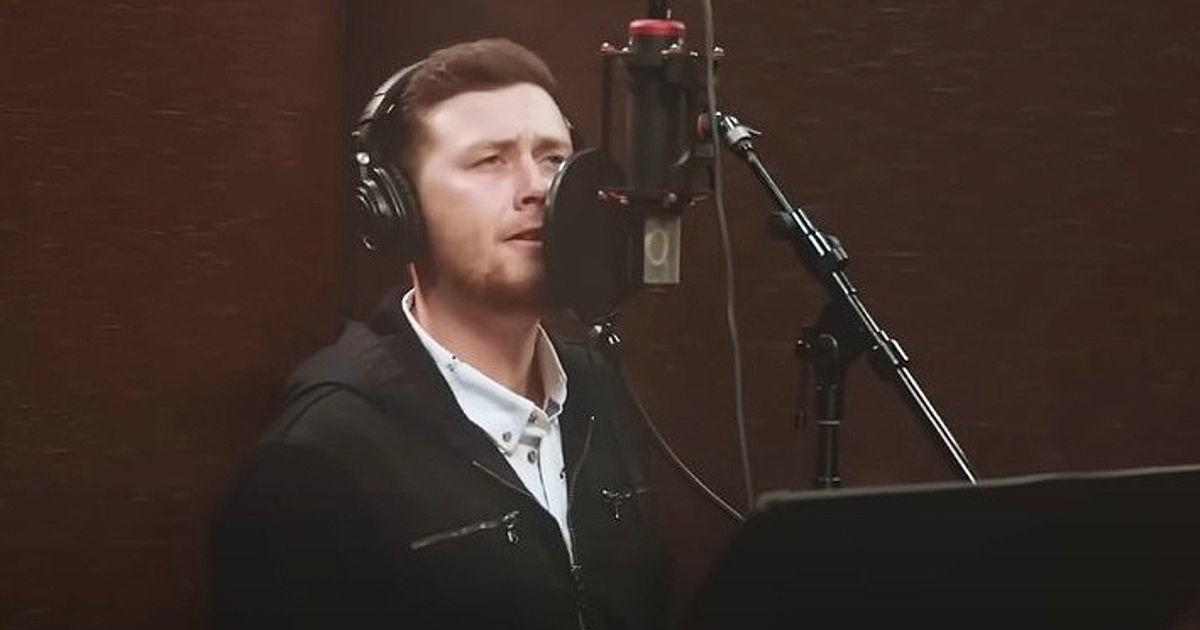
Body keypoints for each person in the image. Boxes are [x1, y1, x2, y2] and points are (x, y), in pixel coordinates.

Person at [211, 38, 666, 629]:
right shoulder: (320, 454)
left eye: (553, 158)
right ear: (395, 207)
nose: (536, 187)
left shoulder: (601, 392)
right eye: (490, 161)